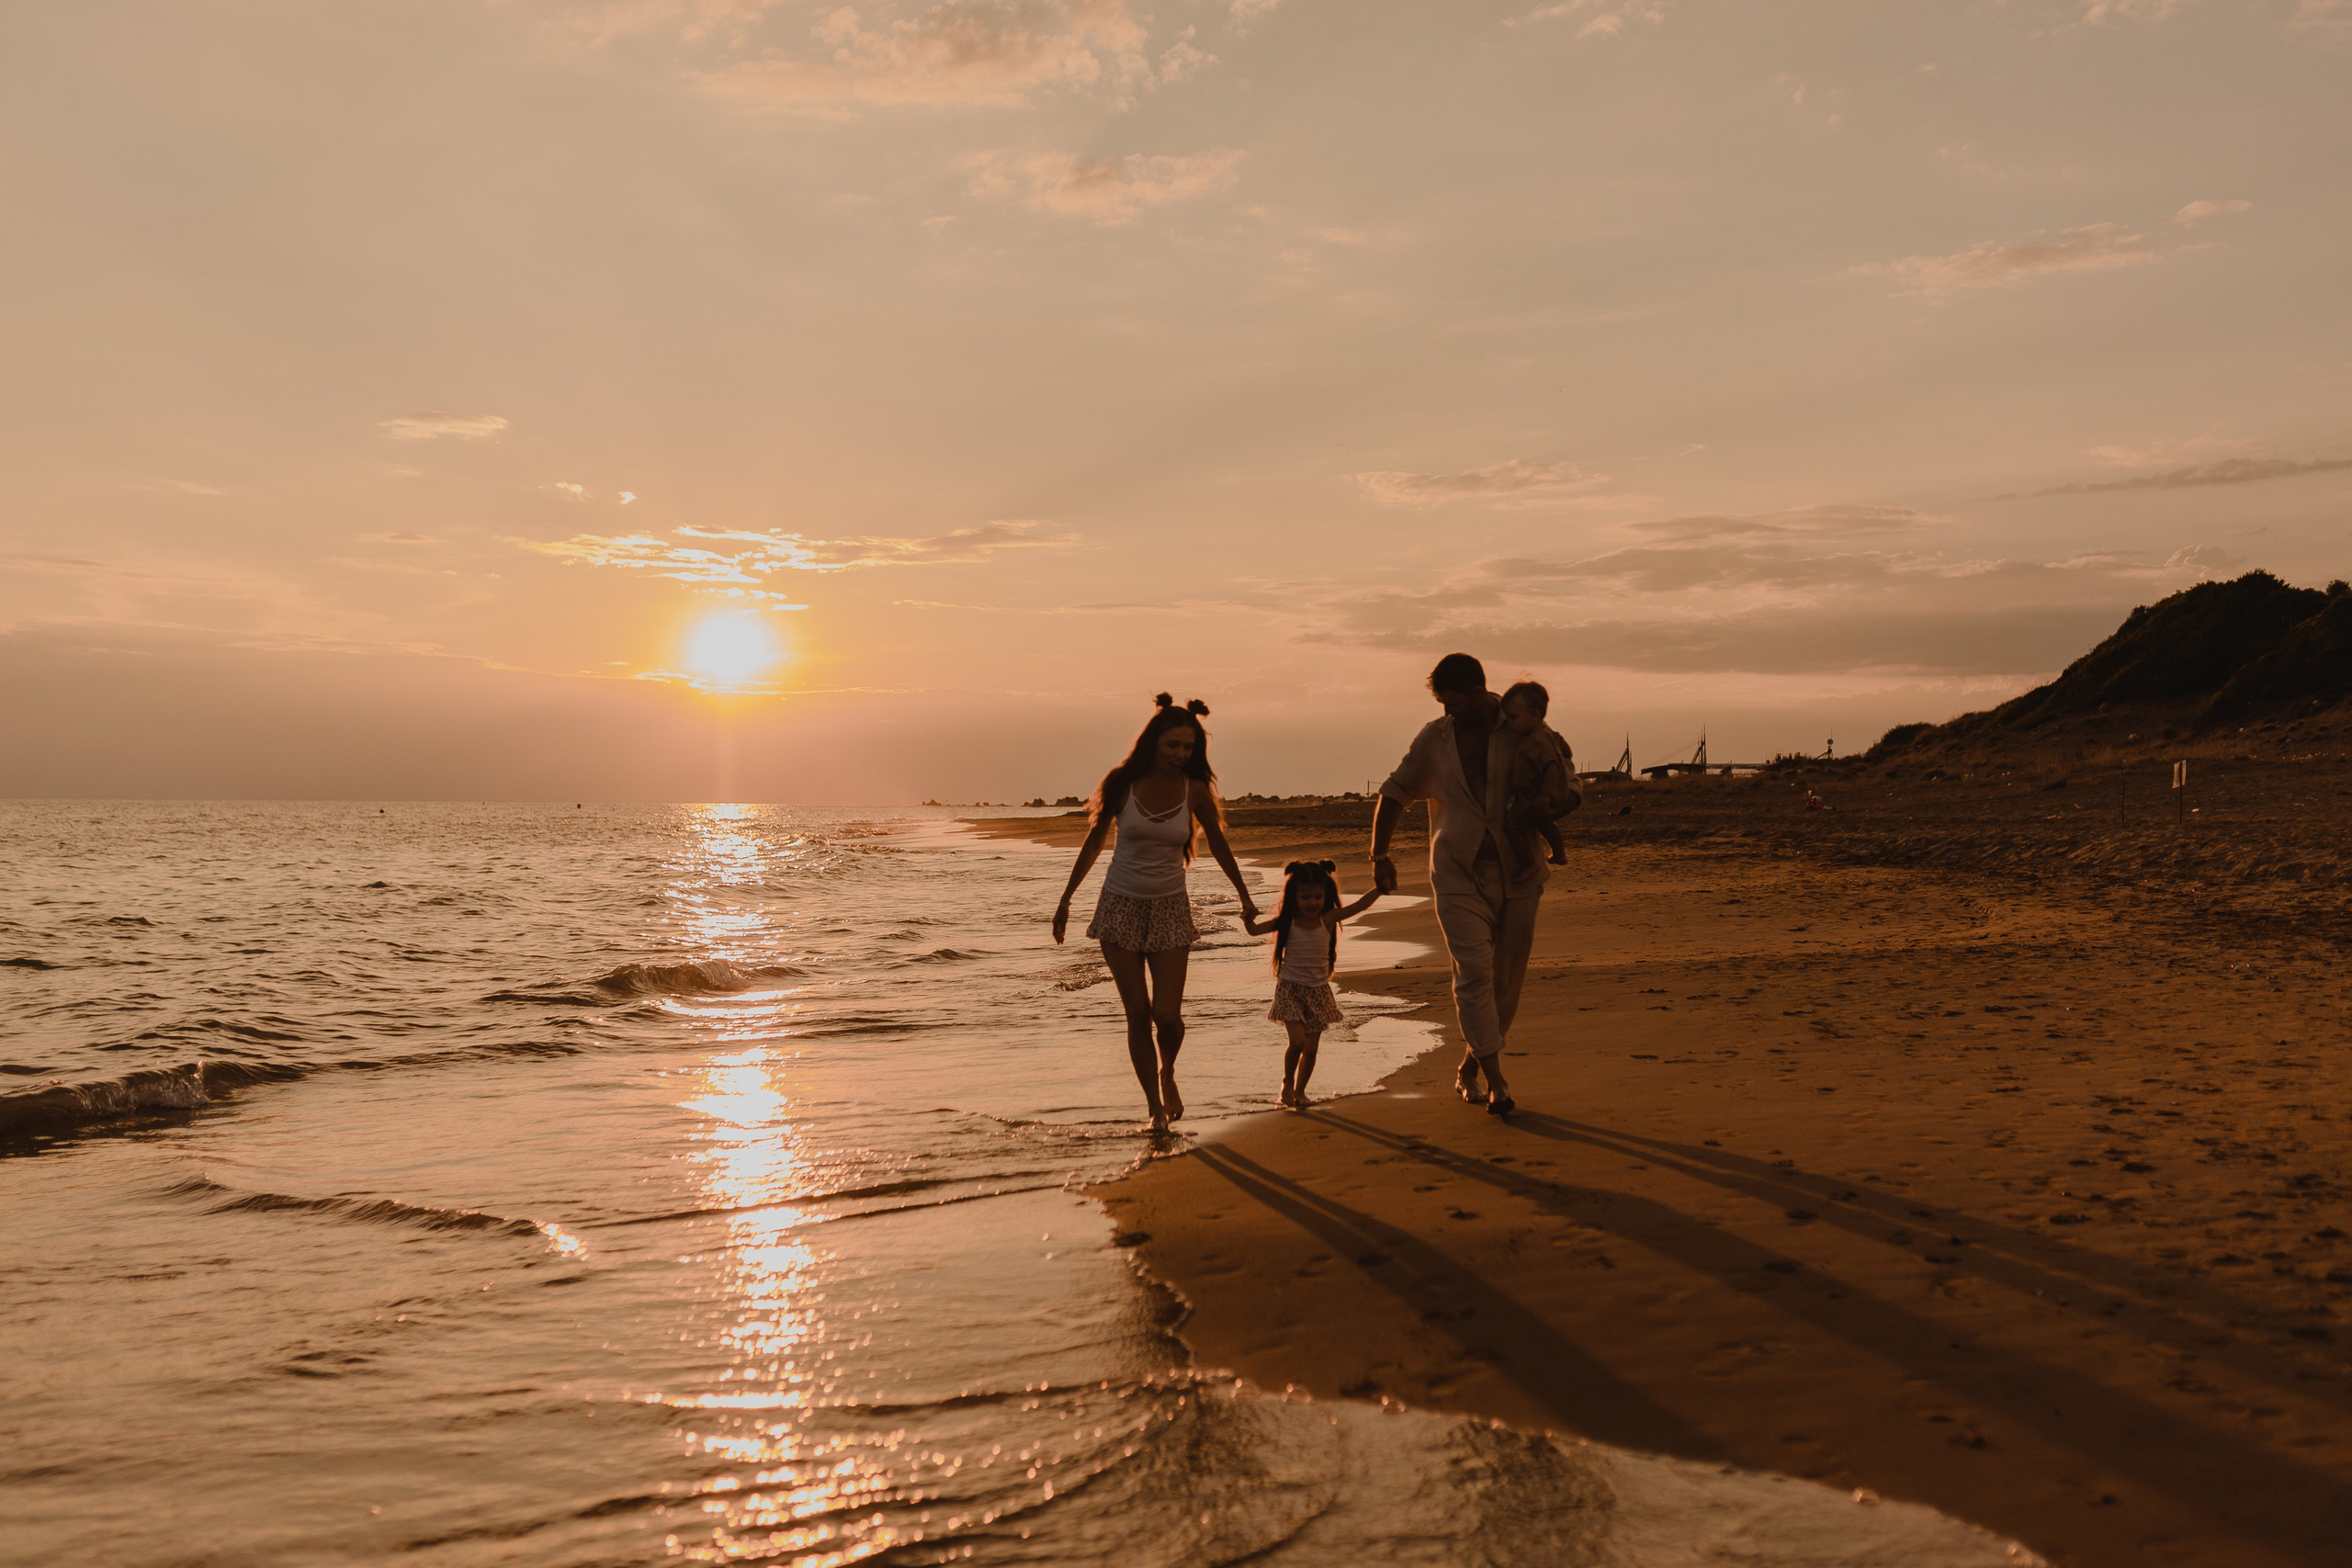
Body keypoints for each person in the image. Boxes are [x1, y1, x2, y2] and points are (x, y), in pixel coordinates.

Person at [1370, 653, 1579, 1117]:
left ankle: (1470, 1064)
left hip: (1520, 872)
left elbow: (1568, 783)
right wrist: (1379, 855)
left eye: (1455, 703)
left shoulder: (1522, 725)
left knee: (1506, 984)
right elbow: (1394, 791)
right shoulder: (1434, 738)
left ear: (1480, 691)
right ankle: (1498, 1082)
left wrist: (1549, 811)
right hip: (1456, 872)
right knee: (1473, 973)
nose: (1449, 712)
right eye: (1442, 703)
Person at [1054, 694, 1261, 1132]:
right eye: (1173, 746)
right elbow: (1094, 843)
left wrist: (1244, 895)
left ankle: (1168, 1072)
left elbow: (1219, 844)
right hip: (1119, 908)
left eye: (1188, 747)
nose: (1180, 755)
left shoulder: (1195, 789)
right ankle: (1154, 1109)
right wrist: (1066, 900)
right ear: (1153, 742)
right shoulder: (1122, 783)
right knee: (1138, 1013)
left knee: (1167, 1016)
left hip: (1170, 909)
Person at [1241, 859, 1382, 1111]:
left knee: (1312, 1050)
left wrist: (1380, 889)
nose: (1312, 902)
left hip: (1318, 992)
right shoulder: (1287, 921)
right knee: (1297, 1043)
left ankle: (1300, 1091)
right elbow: (1253, 931)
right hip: (1290, 989)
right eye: (1305, 897)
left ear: (1326, 895)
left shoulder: (1327, 918)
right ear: (1293, 896)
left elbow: (1358, 906)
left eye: (1318, 896)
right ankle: (1287, 1083)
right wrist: (1247, 918)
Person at [1498, 681, 1576, 867]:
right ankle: (1559, 854)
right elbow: (1565, 753)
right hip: (1538, 792)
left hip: (1539, 793)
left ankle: (1527, 863)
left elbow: (1552, 767)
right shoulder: (1542, 735)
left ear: (1534, 714)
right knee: (1545, 823)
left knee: (1514, 824)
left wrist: (1545, 795)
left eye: (1513, 718)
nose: (1509, 723)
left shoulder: (1538, 741)